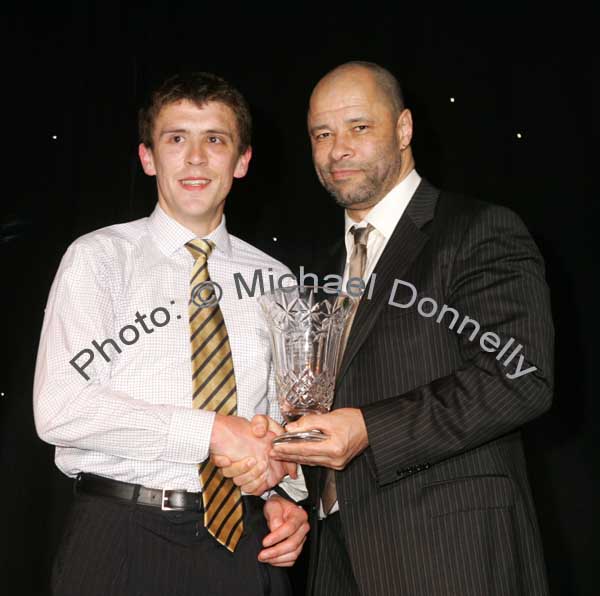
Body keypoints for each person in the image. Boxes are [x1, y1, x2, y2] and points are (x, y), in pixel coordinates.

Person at [216, 61, 554, 595]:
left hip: (452, 552)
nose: (338, 149)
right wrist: (283, 468)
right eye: (322, 134)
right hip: (338, 557)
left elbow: (520, 376)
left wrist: (369, 429)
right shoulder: (322, 271)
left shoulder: (476, 230)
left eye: (359, 127)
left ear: (404, 129)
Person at [33, 71, 308, 596]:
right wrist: (209, 431)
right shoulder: (98, 259)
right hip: (121, 537)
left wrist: (283, 493)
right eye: (177, 138)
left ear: (242, 160)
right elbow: (60, 405)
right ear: (148, 157)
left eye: (216, 140)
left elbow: (281, 416)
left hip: (245, 544)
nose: (196, 158)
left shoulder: (277, 280)